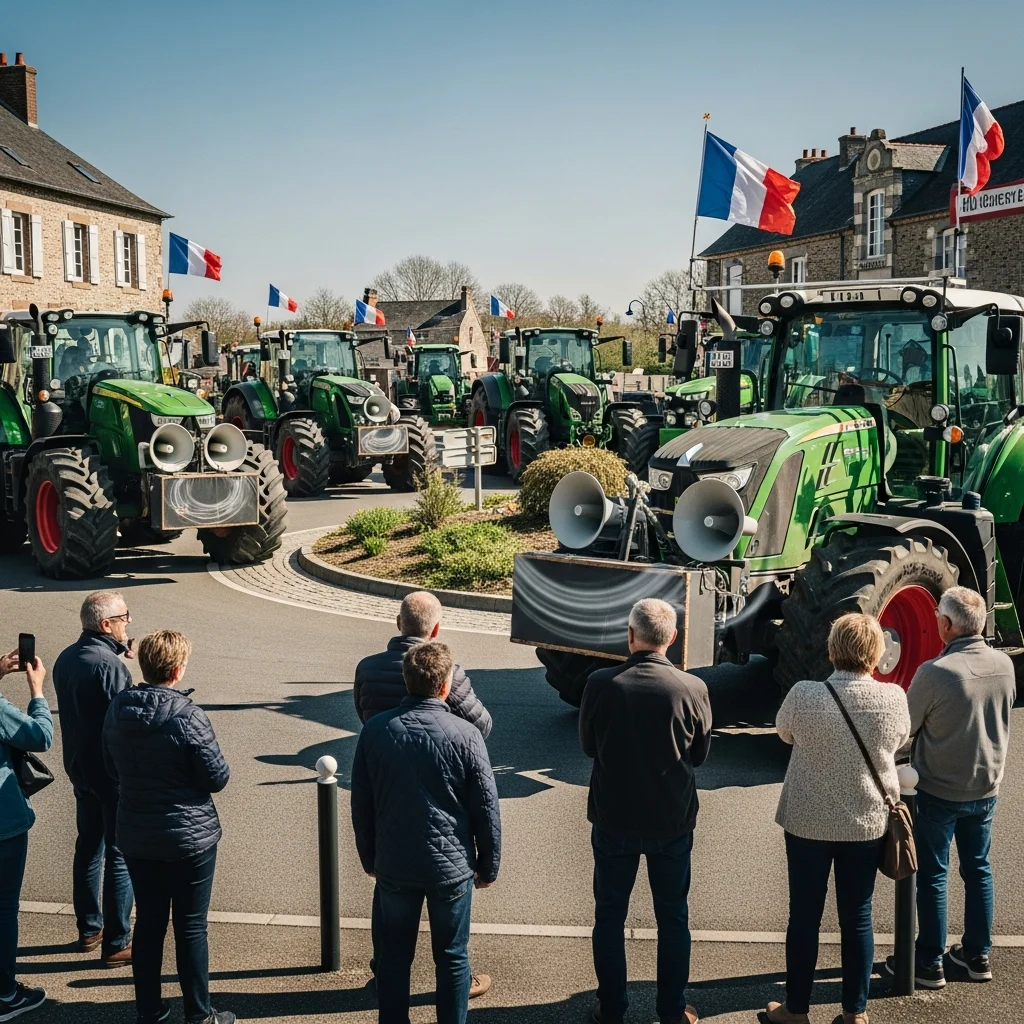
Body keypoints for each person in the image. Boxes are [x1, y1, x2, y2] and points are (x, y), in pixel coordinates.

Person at [767, 613, 910, 1024]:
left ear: (832, 650)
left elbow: (783, 733)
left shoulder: (804, 694)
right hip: (865, 823)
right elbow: (901, 739)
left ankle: (795, 1009)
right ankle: (855, 1013)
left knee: (804, 915)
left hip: (807, 820)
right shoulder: (893, 698)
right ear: (876, 654)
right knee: (858, 916)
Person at [351, 642, 501, 1024]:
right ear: (446, 686)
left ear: (407, 680)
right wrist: (488, 865)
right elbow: (485, 807)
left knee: (394, 958)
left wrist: (370, 859)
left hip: (395, 865)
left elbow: (362, 804)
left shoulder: (375, 731)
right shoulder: (467, 735)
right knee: (452, 957)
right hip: (450, 868)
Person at [579, 598, 712, 1024]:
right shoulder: (692, 689)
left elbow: (587, 746)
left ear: (630, 634)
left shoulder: (600, 683)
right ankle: (672, 1010)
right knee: (673, 917)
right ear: (672, 639)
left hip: (613, 817)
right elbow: (700, 755)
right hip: (671, 820)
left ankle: (612, 1008)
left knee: (609, 916)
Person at [888, 586, 1015, 989]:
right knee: (978, 870)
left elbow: (904, 730)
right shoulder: (1004, 665)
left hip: (939, 789)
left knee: (934, 875)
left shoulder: (935, 672)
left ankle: (929, 961)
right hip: (986, 787)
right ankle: (978, 956)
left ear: (945, 625)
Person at [103, 631, 233, 1024]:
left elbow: (111, 767)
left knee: (150, 922)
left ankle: (149, 1009)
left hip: (138, 833)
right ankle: (199, 1013)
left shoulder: (118, 710)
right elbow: (217, 778)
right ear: (177, 670)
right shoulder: (188, 716)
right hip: (189, 836)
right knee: (191, 926)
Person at [52, 592, 135, 966]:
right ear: (106, 624)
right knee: (119, 854)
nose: (128, 623)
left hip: (79, 768)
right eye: (124, 617)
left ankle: (89, 930)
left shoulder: (66, 658)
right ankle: (117, 941)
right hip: (111, 774)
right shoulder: (109, 666)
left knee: (88, 847)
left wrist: (119, 655)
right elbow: (126, 719)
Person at [354, 591, 491, 737]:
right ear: (436, 629)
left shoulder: (366, 668)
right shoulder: (448, 672)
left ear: (399, 622)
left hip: (380, 753)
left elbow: (365, 716)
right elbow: (481, 726)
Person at [0, 648, 52, 1020]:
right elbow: (40, 737)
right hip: (3, 824)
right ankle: (4, 994)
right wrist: (37, 691)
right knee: (3, 910)